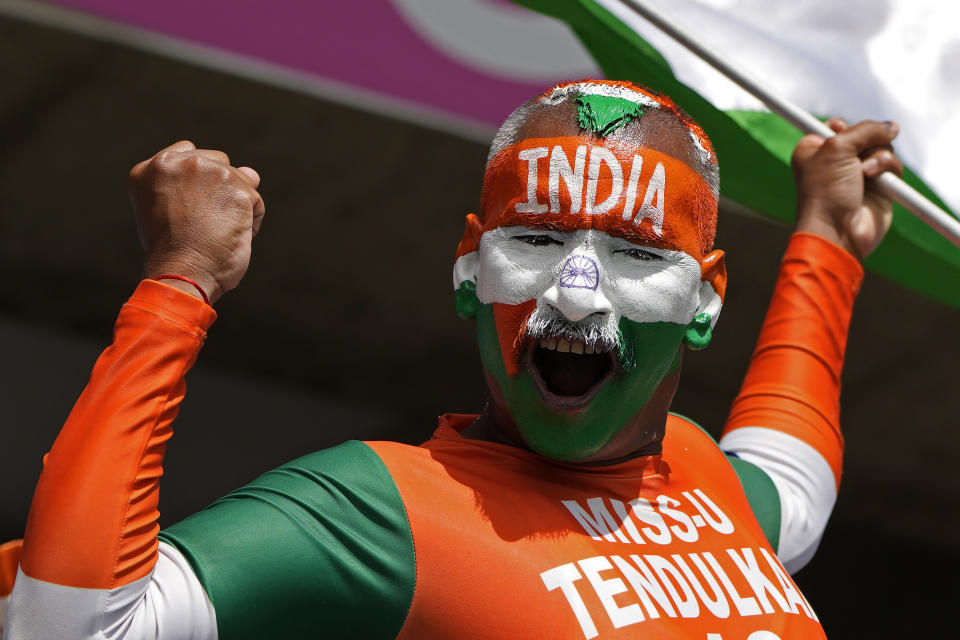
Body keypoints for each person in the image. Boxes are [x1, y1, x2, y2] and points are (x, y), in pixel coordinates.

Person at [3, 79, 902, 639]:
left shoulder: (708, 477)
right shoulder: (378, 509)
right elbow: (67, 630)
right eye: (538, 239)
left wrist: (829, 242)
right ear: (471, 267)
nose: (577, 293)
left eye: (634, 254)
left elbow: (796, 481)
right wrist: (177, 286)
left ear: (704, 303)